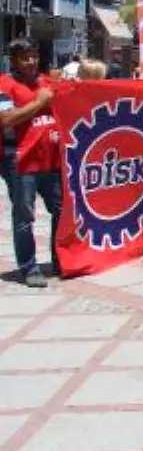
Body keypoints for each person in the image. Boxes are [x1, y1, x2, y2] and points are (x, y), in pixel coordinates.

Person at [1, 39, 61, 287]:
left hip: (51, 159)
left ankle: (60, 259)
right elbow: (5, 119)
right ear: (14, 60)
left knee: (62, 210)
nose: (31, 62)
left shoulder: (47, 82)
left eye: (34, 56)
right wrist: (38, 103)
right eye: (25, 57)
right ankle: (29, 267)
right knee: (24, 216)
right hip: (20, 161)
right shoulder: (5, 85)